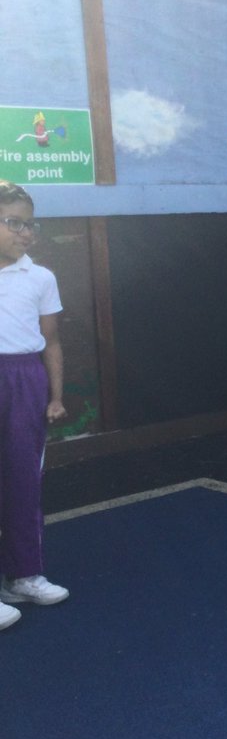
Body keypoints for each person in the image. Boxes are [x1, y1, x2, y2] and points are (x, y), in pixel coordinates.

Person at [0, 180, 69, 631]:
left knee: (24, 481)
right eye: (13, 222)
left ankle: (22, 575)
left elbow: (53, 342)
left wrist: (56, 396)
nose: (25, 232)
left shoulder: (40, 277)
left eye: (30, 224)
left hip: (25, 380)